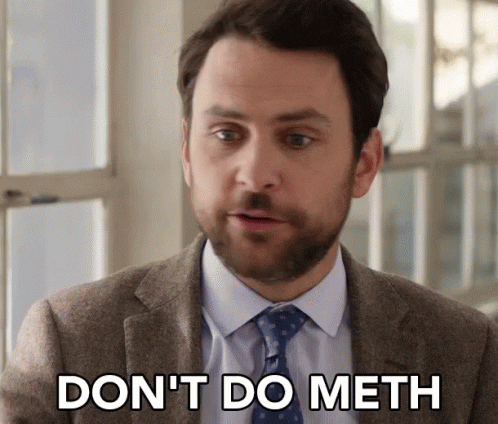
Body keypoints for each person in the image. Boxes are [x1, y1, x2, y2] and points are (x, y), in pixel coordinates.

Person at [1, 0, 497, 422]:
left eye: (297, 139)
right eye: (226, 134)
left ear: (363, 164)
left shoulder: (468, 357)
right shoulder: (69, 343)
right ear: (187, 150)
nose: (255, 175)